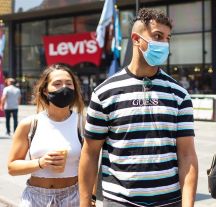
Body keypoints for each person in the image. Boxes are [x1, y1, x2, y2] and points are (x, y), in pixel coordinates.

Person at [79, 8, 198, 207]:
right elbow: (90, 153)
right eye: (158, 36)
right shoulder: (104, 92)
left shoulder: (179, 94)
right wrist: (85, 202)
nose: (164, 44)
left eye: (168, 38)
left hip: (169, 201)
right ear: (136, 39)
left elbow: (187, 154)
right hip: (119, 201)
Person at [7, 64, 85, 206]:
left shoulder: (82, 123)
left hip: (73, 197)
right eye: (57, 84)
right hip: (36, 198)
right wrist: (40, 163)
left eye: (69, 83)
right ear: (45, 90)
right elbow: (12, 167)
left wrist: (90, 198)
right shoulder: (30, 124)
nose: (64, 88)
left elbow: (91, 165)